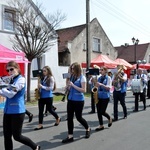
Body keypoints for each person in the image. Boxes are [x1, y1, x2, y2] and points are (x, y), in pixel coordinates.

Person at [0, 61, 40, 150]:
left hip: (17, 111)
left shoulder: (21, 80)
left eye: (11, 69)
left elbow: (11, 94)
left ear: (17, 69)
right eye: (8, 70)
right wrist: (3, 88)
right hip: (7, 110)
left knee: (17, 136)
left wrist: (1, 89)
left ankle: (35, 146)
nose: (10, 72)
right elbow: (5, 93)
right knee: (7, 136)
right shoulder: (11, 79)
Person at [62, 62, 91, 143]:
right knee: (69, 118)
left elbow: (84, 90)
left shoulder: (82, 78)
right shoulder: (72, 77)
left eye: (73, 68)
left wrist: (73, 85)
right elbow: (69, 87)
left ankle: (87, 128)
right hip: (71, 100)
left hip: (79, 101)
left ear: (77, 69)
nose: (71, 70)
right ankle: (70, 136)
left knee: (79, 117)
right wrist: (67, 87)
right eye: (71, 68)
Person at [34, 66, 61, 130]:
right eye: (43, 71)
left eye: (45, 71)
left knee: (50, 110)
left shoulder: (51, 78)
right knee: (40, 111)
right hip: (41, 97)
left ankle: (57, 118)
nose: (43, 72)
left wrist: (42, 86)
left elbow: (51, 88)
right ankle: (40, 124)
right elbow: (40, 85)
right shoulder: (42, 77)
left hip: (48, 97)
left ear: (48, 71)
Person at [95, 66, 112, 131]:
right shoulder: (99, 78)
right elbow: (93, 84)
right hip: (99, 96)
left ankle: (109, 118)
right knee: (98, 112)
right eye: (100, 70)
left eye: (102, 70)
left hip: (105, 96)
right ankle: (101, 125)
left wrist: (101, 85)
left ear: (105, 71)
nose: (100, 71)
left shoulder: (109, 78)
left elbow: (108, 88)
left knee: (102, 111)